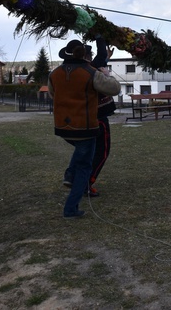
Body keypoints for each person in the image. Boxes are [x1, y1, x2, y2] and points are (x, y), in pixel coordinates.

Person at [49, 39, 120, 219]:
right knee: (84, 166)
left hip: (63, 127)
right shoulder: (90, 72)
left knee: (81, 153)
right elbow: (114, 88)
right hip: (85, 126)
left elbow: (52, 94)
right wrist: (106, 74)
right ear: (85, 55)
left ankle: (69, 174)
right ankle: (71, 208)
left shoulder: (54, 73)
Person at [88, 36, 116, 196]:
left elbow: (101, 56)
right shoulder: (93, 67)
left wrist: (106, 55)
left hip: (89, 115)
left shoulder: (81, 69)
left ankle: (76, 179)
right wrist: (100, 36)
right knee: (102, 151)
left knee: (88, 151)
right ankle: (88, 181)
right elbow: (100, 55)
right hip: (99, 117)